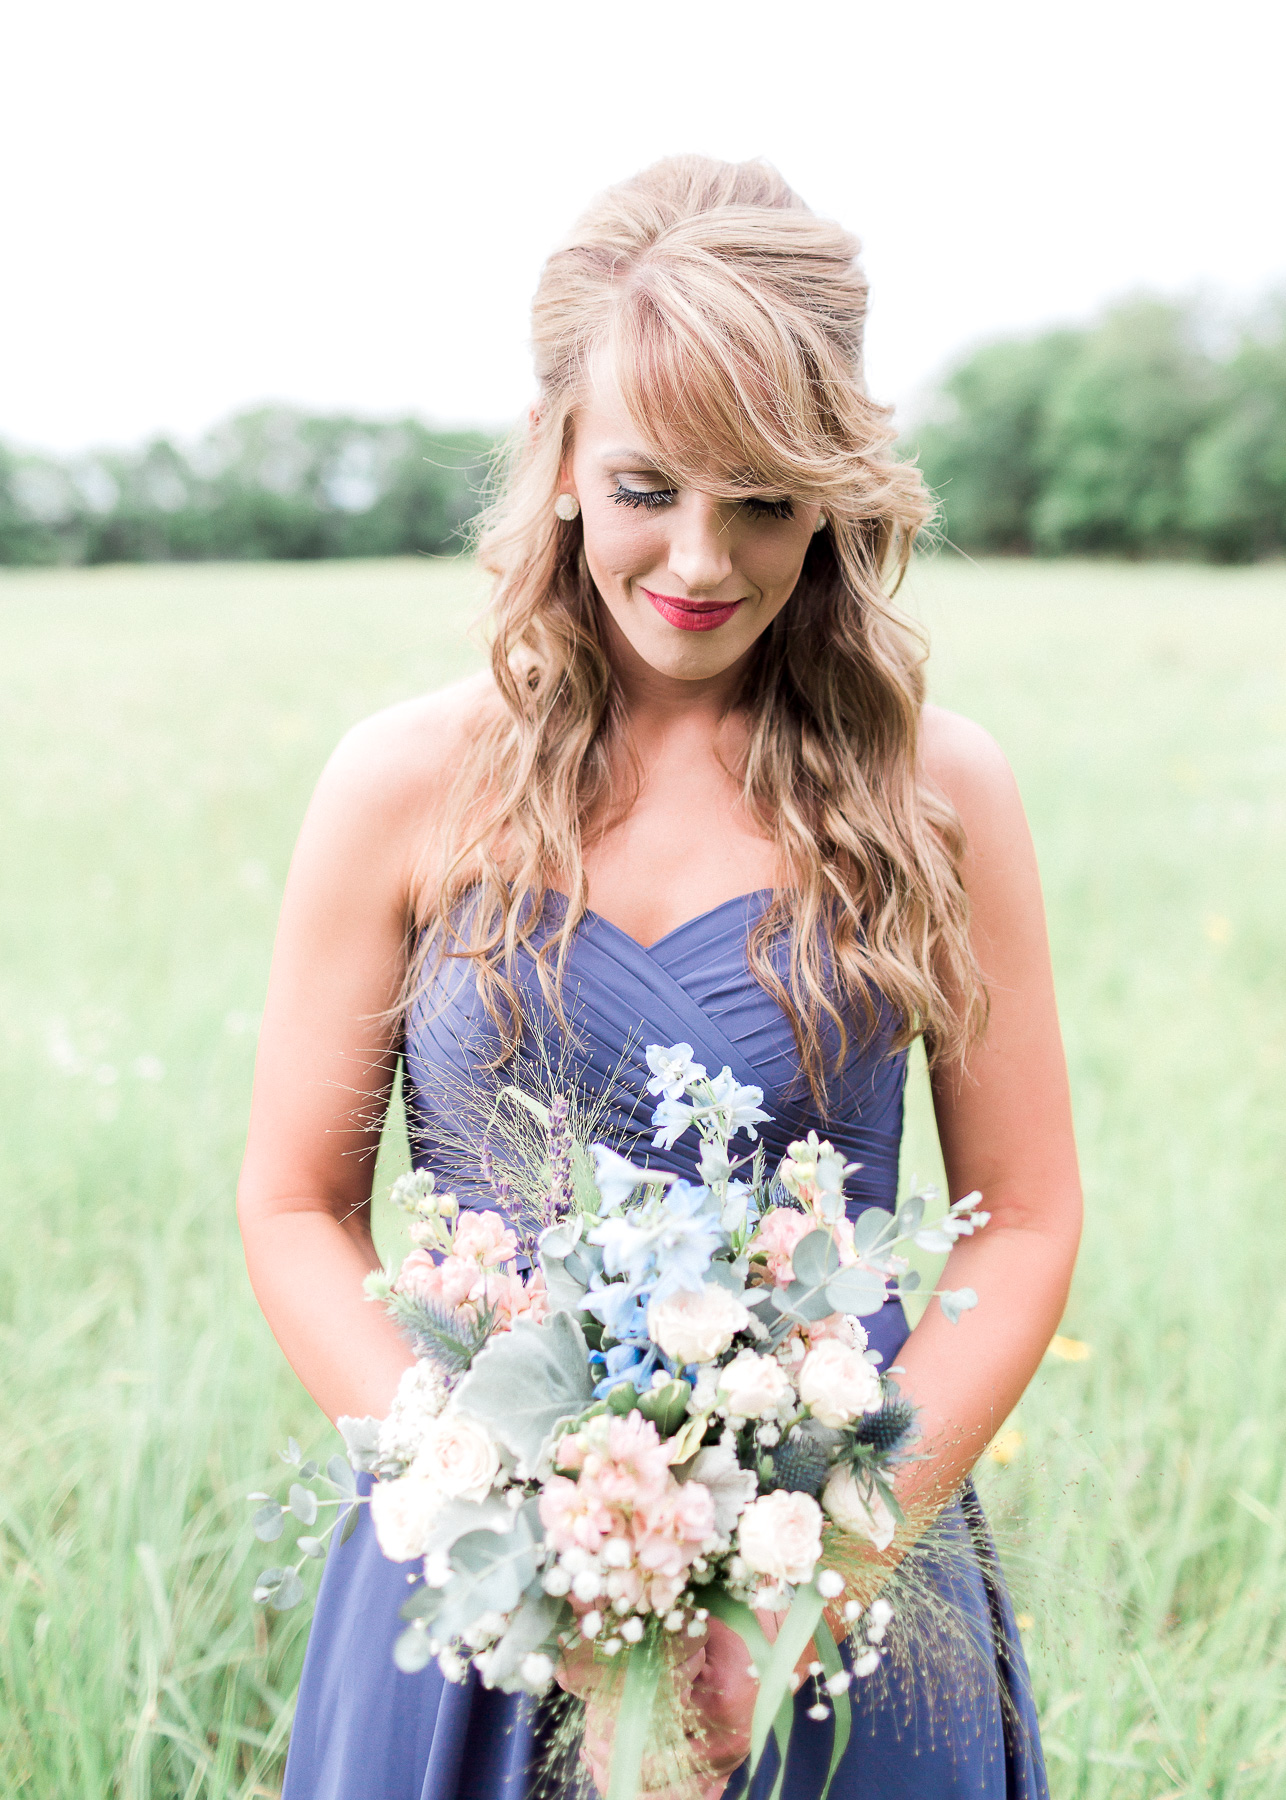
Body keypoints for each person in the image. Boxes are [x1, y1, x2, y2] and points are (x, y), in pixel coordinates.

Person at [237, 154, 1081, 1800]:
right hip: (480, 1587)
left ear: (832, 494)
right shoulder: (401, 785)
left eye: (762, 498)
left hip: (836, 1570)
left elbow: (1027, 1215)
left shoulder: (937, 789)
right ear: (556, 457)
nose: (699, 558)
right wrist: (503, 1516)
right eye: (646, 486)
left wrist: (821, 1567)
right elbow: (291, 1206)